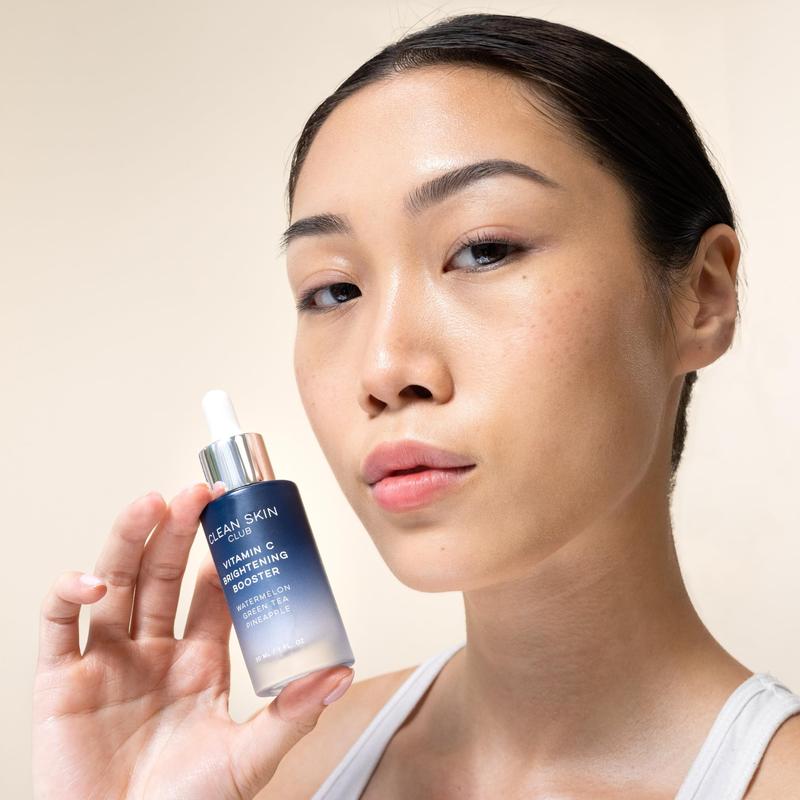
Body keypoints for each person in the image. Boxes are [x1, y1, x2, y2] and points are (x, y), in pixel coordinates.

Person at [33, 12, 800, 800]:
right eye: (334, 290)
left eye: (483, 249)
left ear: (703, 295)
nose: (384, 368)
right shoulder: (273, 770)